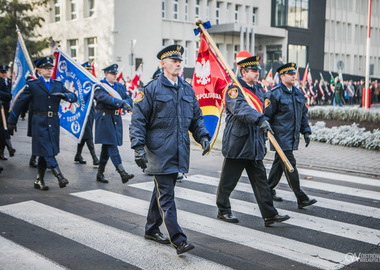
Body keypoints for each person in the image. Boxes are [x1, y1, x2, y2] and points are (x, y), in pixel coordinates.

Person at [129, 44, 210, 255]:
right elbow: (138, 121)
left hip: (179, 151)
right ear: (163, 64)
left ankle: (150, 228)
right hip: (158, 151)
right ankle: (179, 239)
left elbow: (196, 119)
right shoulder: (150, 89)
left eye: (179, 61)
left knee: (161, 191)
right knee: (166, 196)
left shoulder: (186, 89)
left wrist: (203, 137)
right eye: (173, 61)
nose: (178, 64)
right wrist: (138, 148)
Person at [216, 56, 290, 227]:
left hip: (254, 143)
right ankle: (223, 209)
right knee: (228, 182)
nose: (258, 73)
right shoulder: (234, 89)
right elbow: (240, 109)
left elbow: (263, 109)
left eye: (258, 70)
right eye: (253, 70)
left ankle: (269, 214)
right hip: (239, 144)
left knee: (261, 183)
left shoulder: (258, 89)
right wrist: (259, 119)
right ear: (243, 72)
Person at [7, 56, 77, 190]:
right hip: (39, 122)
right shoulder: (33, 85)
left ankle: (39, 179)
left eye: (51, 68)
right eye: (46, 68)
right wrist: (12, 121)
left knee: (47, 152)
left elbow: (74, 97)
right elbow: (19, 103)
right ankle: (60, 176)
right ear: (39, 70)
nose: (49, 71)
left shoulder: (58, 84)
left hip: (53, 121)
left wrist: (66, 96)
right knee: (46, 150)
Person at [264, 63, 317, 209]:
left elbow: (303, 115)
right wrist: (266, 135)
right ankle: (301, 197)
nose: (294, 76)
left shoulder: (298, 93)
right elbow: (266, 117)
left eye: (294, 74)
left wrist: (305, 131)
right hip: (279, 137)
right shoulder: (274, 94)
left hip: (291, 137)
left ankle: (268, 190)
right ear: (282, 77)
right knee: (290, 165)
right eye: (290, 74)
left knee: (279, 165)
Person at [94, 63, 134, 184]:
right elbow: (104, 98)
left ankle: (100, 174)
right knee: (112, 144)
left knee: (106, 148)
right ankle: (122, 172)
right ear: (106, 74)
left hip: (115, 118)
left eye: (116, 74)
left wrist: (126, 102)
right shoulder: (100, 86)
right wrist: (121, 103)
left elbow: (128, 98)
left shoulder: (119, 86)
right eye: (112, 74)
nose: (115, 76)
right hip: (104, 118)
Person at [73, 62, 99, 166]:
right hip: (82, 108)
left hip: (91, 108)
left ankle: (78, 155)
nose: (89, 72)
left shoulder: (91, 82)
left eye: (90, 70)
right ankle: (95, 158)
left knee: (84, 132)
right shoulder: (79, 82)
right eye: (87, 70)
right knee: (88, 132)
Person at [0, 65, 16, 160]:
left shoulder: (9, 81)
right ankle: (9, 148)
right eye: (2, 72)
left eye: (5, 72)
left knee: (6, 129)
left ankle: (2, 151)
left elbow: (9, 95)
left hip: (7, 109)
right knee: (3, 130)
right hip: (2, 110)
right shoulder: (1, 81)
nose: (4, 74)